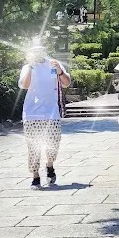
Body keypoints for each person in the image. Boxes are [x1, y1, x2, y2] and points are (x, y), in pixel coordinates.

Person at [18, 42, 71, 188]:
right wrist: (31, 66)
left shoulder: (53, 64)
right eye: (35, 51)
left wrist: (60, 71)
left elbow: (66, 83)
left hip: (51, 112)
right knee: (33, 146)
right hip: (32, 113)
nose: (38, 54)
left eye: (40, 50)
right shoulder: (27, 67)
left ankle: (49, 165)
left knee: (53, 143)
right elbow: (24, 85)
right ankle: (35, 176)